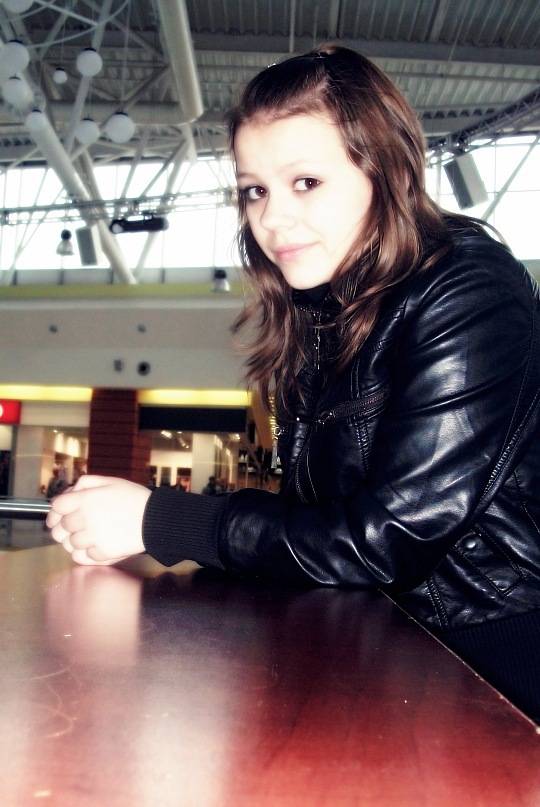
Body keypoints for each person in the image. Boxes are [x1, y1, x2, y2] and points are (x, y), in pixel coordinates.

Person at [47, 45, 540, 722]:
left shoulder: (468, 290)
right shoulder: (321, 307)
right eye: (256, 189)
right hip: (376, 635)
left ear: (387, 170)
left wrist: (163, 519)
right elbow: (316, 516)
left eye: (305, 181)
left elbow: (388, 538)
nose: (272, 218)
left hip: (487, 656)